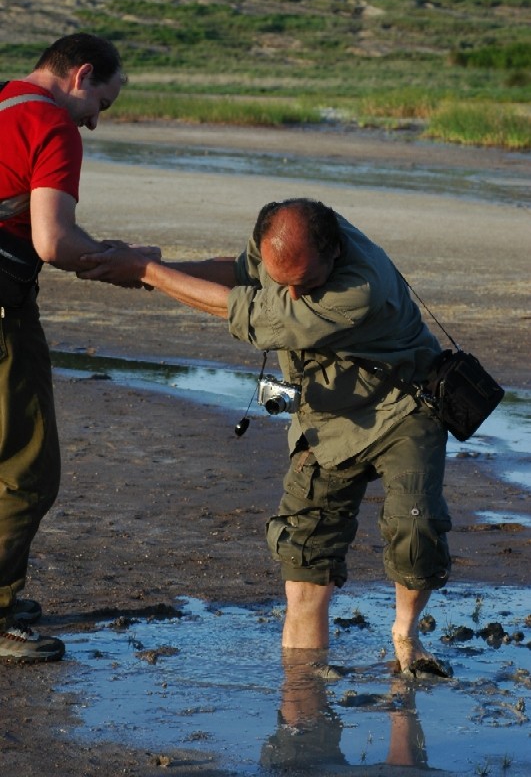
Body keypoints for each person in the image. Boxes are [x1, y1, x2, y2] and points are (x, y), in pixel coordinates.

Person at [79, 197, 452, 677]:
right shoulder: (288, 241)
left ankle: (406, 633)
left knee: (414, 528)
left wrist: (147, 269)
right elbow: (239, 273)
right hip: (327, 415)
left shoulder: (358, 289)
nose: (292, 295)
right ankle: (300, 700)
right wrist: (153, 267)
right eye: (283, 283)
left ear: (334, 252)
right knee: (305, 556)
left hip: (403, 404)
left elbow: (245, 311)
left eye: (307, 284)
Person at [0, 33, 151, 664]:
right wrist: (126, 260)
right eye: (102, 105)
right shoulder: (52, 126)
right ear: (81, 75)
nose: (94, 122)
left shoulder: (5, 100)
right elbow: (53, 242)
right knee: (28, 467)